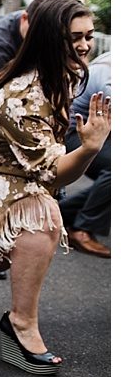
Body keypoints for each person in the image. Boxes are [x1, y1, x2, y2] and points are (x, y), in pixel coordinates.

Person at [0, 0, 110, 376]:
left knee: (7, 248)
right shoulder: (23, 95)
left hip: (8, 160)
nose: (83, 45)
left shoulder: (63, 72)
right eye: (73, 37)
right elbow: (54, 173)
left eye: (88, 36)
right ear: (47, 38)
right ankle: (20, 325)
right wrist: (92, 148)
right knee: (42, 219)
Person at [58, 50, 111, 257]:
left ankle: (65, 212)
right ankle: (81, 229)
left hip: (99, 130)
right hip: (75, 133)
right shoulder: (110, 76)